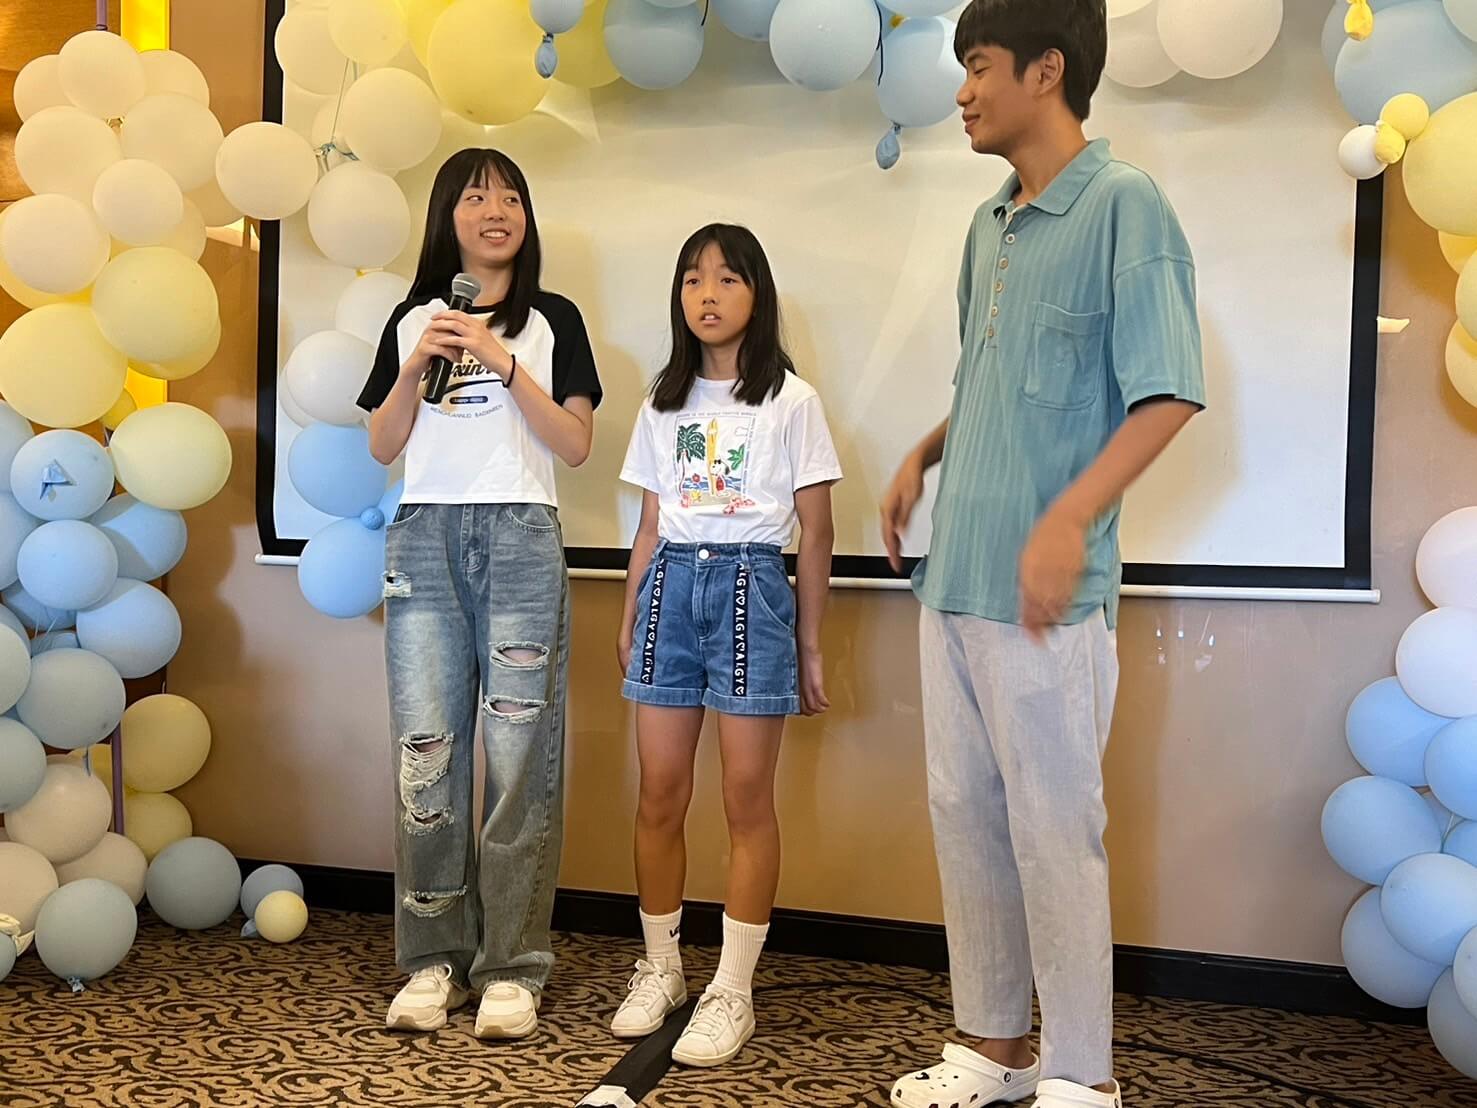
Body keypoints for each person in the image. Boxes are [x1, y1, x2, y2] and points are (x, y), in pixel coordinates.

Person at [880, 3, 1205, 1105]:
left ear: (1046, 70)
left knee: (1055, 835)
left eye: (977, 67)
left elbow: (1167, 393)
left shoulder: (1124, 204)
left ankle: (1079, 1074)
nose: (962, 91)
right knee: (965, 819)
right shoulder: (988, 225)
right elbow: (992, 377)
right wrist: (924, 453)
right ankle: (993, 1048)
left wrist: (1069, 518)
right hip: (955, 578)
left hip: (1047, 603)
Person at [357, 148, 602, 1040]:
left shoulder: (553, 319)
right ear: (447, 217)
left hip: (519, 536)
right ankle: (432, 960)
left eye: (510, 197)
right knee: (425, 752)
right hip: (425, 535)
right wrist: (413, 363)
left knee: (518, 756)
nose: (495, 211)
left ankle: (511, 966)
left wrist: (500, 360)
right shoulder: (411, 319)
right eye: (475, 197)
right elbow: (383, 444)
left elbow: (573, 444)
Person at [611, 223, 841, 1067]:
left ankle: (732, 989)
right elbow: (648, 523)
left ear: (757, 294)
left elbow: (816, 533)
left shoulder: (791, 400)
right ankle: (662, 968)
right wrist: (631, 611)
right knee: (658, 793)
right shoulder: (661, 402)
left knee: (746, 799)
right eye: (692, 279)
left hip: (754, 588)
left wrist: (809, 644)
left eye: (727, 279)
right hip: (670, 587)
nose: (707, 295)